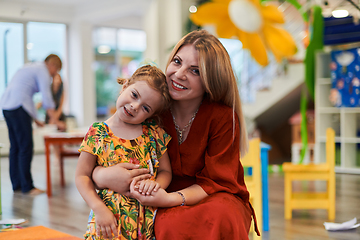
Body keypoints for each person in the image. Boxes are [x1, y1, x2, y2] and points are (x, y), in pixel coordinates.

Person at [92, 30, 260, 239]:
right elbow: (102, 154)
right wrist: (103, 175)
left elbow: (216, 182)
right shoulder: (150, 109)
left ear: (211, 80)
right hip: (157, 194)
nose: (179, 74)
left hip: (213, 195)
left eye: (195, 71)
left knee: (221, 215)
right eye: (177, 62)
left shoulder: (223, 117)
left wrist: (170, 199)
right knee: (170, 224)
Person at [75, 65, 172, 240]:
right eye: (134, 95)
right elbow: (82, 176)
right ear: (125, 86)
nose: (135, 106)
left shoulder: (153, 133)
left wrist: (157, 185)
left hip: (144, 221)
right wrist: (98, 208)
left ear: (151, 115)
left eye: (146, 108)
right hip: (107, 221)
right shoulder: (98, 133)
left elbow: (165, 171)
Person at [0, 54, 62, 195]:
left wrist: (35, 119)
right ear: (52, 65)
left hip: (7, 106)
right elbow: (46, 99)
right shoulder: (43, 71)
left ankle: (17, 185)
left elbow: (24, 94)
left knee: (15, 147)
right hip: (18, 107)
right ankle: (28, 187)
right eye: (56, 70)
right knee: (26, 147)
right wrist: (57, 121)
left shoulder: (30, 67)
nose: (54, 75)